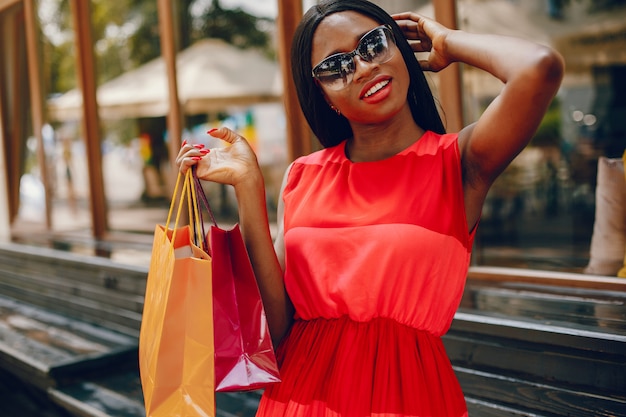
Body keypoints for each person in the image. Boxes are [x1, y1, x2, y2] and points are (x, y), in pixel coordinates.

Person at [176, 0, 564, 415]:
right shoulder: (302, 176)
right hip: (300, 399)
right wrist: (249, 191)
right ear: (323, 95)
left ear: (399, 47)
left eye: (373, 45)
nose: (362, 68)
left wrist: (448, 42)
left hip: (407, 398)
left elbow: (538, 68)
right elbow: (276, 328)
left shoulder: (459, 162)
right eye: (335, 67)